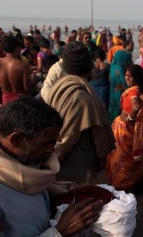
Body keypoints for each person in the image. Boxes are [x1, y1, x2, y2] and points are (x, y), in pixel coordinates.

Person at [0, 98, 104, 236]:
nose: (52, 150)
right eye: (45, 144)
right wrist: (59, 232)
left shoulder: (28, 162)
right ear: (16, 140)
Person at [44, 41, 115, 184]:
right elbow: (67, 139)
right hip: (77, 172)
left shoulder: (59, 86)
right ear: (88, 69)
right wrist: (49, 167)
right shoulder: (81, 99)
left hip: (64, 167)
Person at [106, 64, 143, 191]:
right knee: (130, 159)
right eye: (126, 75)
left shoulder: (133, 91)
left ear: (136, 78)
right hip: (132, 130)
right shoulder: (140, 90)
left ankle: (124, 183)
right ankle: (134, 182)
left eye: (129, 76)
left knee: (123, 158)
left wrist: (129, 119)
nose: (126, 78)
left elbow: (136, 106)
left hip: (127, 129)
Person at [0, 36, 31, 105]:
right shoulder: (23, 66)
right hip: (21, 98)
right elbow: (27, 88)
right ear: (17, 49)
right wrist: (34, 80)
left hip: (5, 98)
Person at [108, 50, 130, 121]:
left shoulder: (112, 66)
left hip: (113, 91)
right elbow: (123, 81)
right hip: (119, 92)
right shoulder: (119, 68)